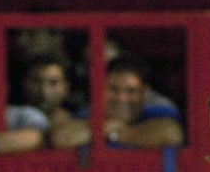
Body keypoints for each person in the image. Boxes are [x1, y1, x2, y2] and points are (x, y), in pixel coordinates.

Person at [50, 54, 184, 149]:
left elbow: (171, 135)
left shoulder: (157, 113)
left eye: (131, 91)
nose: (121, 98)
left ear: (145, 93)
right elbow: (61, 138)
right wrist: (110, 127)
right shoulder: (88, 115)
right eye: (113, 89)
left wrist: (113, 134)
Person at [20, 52, 77, 128]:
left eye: (53, 83)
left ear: (66, 86)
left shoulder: (79, 121)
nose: (44, 91)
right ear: (24, 83)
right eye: (36, 81)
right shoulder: (10, 119)